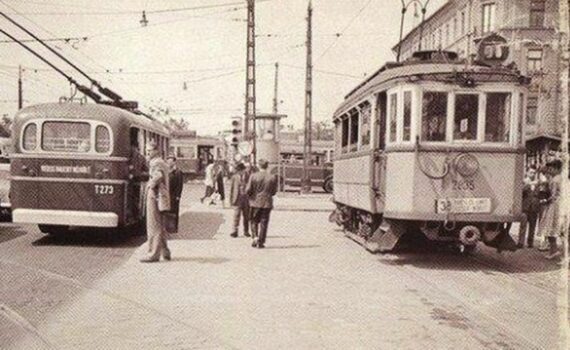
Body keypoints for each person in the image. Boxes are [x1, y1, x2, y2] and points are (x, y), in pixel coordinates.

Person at [140, 142, 171, 263]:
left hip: (155, 196)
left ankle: (153, 254)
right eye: (147, 151)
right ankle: (165, 251)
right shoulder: (162, 162)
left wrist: (150, 185)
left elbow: (158, 176)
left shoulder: (156, 162)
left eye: (149, 151)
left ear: (156, 151)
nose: (147, 153)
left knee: (153, 225)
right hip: (161, 197)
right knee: (160, 225)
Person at [246, 159, 278, 248]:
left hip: (255, 202)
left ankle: (255, 237)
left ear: (258, 166)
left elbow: (248, 189)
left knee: (253, 220)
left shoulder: (253, 176)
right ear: (267, 166)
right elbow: (274, 192)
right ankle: (261, 242)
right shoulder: (272, 177)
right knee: (264, 222)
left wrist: (250, 197)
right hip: (267, 202)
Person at [539, 159, 562, 260]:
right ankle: (553, 250)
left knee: (549, 228)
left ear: (557, 169)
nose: (549, 171)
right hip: (560, 204)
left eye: (551, 169)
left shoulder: (555, 180)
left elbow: (553, 196)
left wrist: (545, 201)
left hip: (555, 205)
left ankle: (554, 250)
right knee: (553, 229)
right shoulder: (561, 178)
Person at [518, 166, 541, 248]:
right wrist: (528, 184)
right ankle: (520, 242)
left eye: (534, 173)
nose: (532, 174)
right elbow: (520, 192)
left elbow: (539, 194)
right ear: (527, 173)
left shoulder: (537, 183)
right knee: (523, 225)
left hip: (534, 208)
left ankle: (530, 242)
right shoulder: (524, 182)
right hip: (525, 207)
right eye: (531, 172)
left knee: (532, 226)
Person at [128, 142, 149, 221]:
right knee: (132, 200)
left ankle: (135, 215)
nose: (133, 149)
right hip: (129, 183)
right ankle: (132, 215)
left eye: (134, 148)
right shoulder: (127, 156)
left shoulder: (141, 158)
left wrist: (136, 175)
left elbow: (147, 171)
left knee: (135, 200)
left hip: (136, 182)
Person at [229, 162, 250, 238]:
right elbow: (232, 189)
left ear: (243, 170)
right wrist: (231, 200)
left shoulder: (248, 176)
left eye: (240, 170)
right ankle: (234, 231)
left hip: (246, 199)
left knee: (246, 216)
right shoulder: (234, 177)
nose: (239, 172)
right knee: (236, 215)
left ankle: (246, 231)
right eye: (238, 171)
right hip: (237, 198)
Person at [167, 155, 184, 233]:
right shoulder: (167, 171)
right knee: (168, 211)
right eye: (168, 161)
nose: (169, 163)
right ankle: (168, 227)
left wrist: (178, 195)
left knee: (174, 211)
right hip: (167, 194)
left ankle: (174, 228)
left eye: (170, 161)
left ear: (174, 162)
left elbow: (180, 185)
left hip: (174, 195)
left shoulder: (178, 172)